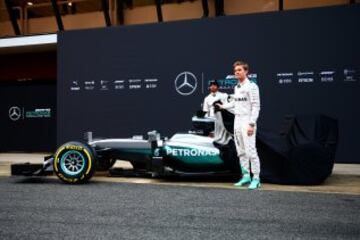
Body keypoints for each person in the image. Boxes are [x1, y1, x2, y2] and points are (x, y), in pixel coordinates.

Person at [218, 61, 261, 190]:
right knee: (241, 152)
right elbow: (235, 103)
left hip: (248, 121)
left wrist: (252, 124)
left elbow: (256, 106)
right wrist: (223, 106)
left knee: (250, 151)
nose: (237, 72)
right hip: (237, 121)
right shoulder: (237, 87)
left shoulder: (252, 86)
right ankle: (246, 175)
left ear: (246, 71)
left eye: (239, 70)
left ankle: (256, 178)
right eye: (235, 70)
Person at [202, 81, 232, 145]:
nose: (212, 86)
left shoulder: (223, 95)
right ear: (209, 87)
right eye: (211, 85)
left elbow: (229, 106)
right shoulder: (207, 98)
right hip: (212, 120)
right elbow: (205, 111)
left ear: (218, 87)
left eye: (214, 85)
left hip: (223, 119)